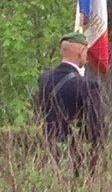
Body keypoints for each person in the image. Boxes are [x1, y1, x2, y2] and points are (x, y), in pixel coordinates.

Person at [36, 31, 104, 175]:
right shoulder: (86, 85)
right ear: (82, 51)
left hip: (49, 154)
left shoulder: (44, 79)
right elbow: (95, 127)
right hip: (76, 158)